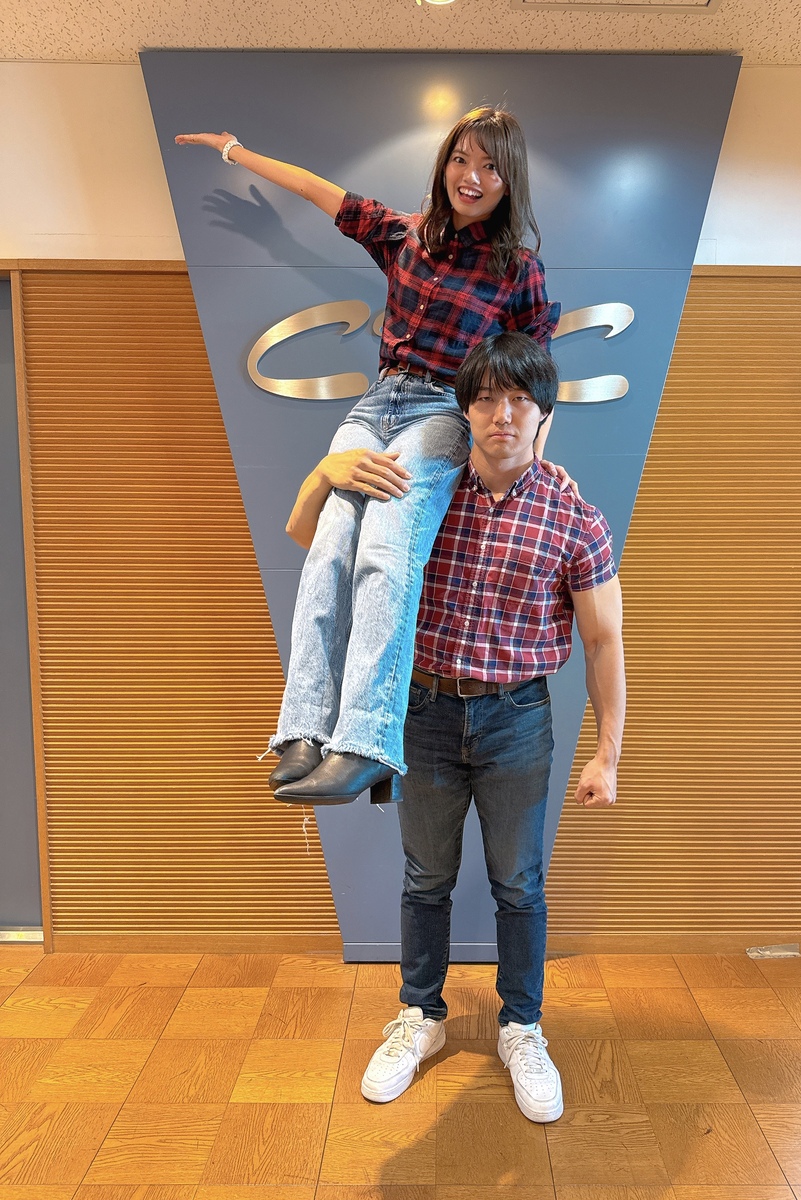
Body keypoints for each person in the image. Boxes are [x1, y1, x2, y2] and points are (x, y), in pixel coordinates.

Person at [281, 332, 625, 1123]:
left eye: (520, 401)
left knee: (520, 884)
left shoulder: (575, 517)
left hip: (517, 721)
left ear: (544, 414)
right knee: (424, 878)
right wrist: (325, 472)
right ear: (463, 409)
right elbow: (312, 542)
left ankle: (523, 1027)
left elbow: (605, 641)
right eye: (487, 398)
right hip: (424, 713)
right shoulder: (419, 489)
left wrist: (607, 753)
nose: (503, 415)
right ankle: (420, 1016)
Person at [175, 109, 560, 805]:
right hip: (375, 404)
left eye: (490, 167)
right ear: (444, 164)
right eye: (462, 159)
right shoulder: (405, 235)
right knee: (330, 545)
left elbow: (537, 376)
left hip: (442, 412)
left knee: (385, 550)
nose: (472, 177)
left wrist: (529, 466)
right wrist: (235, 151)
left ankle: (366, 741)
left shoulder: (516, 270)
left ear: (510, 183)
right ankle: (304, 728)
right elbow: (322, 193)